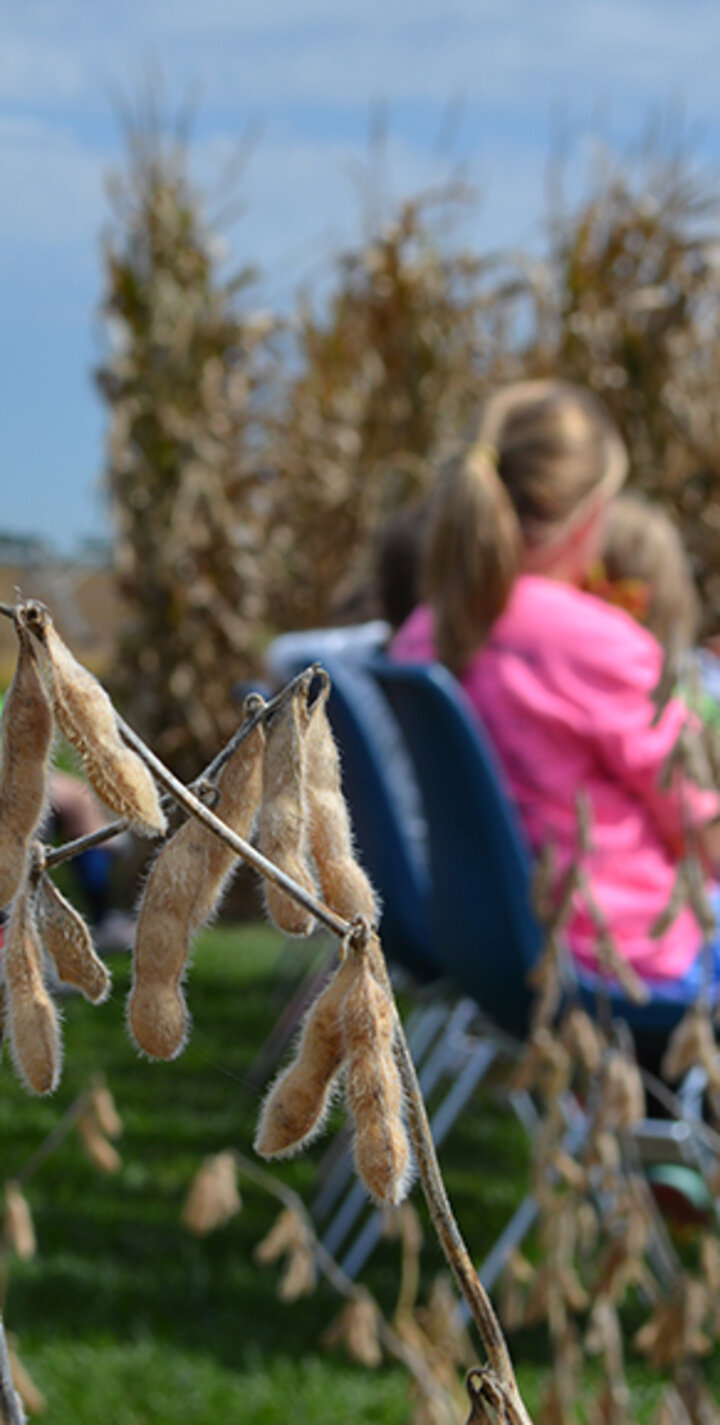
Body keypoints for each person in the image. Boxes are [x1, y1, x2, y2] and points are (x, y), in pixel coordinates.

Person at [391, 379, 720, 991]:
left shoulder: (421, 632)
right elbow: (699, 825)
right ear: (590, 514)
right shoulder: (596, 641)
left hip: (486, 944)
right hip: (626, 952)